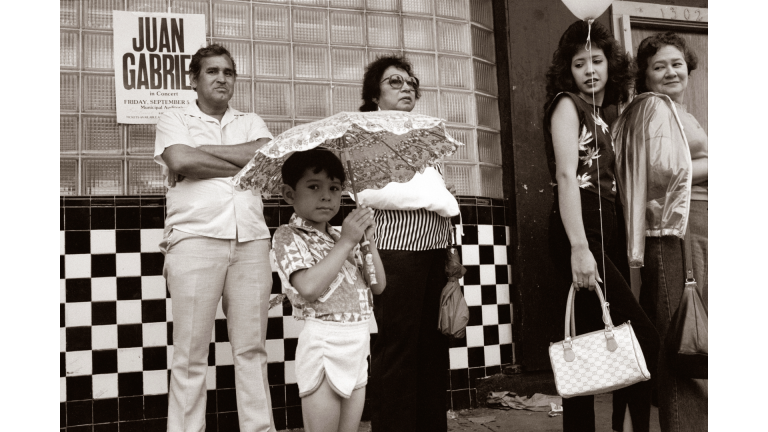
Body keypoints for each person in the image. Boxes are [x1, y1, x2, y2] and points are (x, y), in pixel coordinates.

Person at [543, 21, 660, 432]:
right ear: (567, 70)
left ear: (610, 64)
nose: (590, 70)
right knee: (640, 336)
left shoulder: (604, 113)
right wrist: (579, 247)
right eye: (580, 63)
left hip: (603, 230)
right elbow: (564, 177)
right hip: (579, 231)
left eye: (597, 60)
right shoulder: (566, 105)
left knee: (595, 342)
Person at [154, 44, 276, 432]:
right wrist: (239, 162)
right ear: (194, 79)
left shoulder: (251, 120)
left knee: (252, 350)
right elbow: (180, 161)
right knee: (190, 353)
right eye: (212, 71)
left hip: (251, 242)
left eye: (228, 71)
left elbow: (267, 159)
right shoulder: (174, 117)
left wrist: (204, 151)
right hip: (193, 240)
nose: (222, 78)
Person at [613, 32, 708, 432]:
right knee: (680, 333)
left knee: (699, 333)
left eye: (676, 63)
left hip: (698, 224)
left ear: (688, 67)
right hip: (675, 230)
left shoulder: (681, 111)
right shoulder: (652, 107)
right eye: (659, 66)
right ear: (645, 75)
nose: (671, 71)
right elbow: (660, 175)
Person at [361, 55, 455, 432]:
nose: (406, 88)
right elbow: (371, 192)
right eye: (394, 82)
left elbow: (444, 200)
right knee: (396, 349)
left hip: (434, 250)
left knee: (432, 349)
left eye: (410, 83)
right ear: (374, 95)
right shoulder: (366, 135)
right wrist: (437, 197)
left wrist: (451, 255)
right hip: (394, 253)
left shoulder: (425, 137)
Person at [271, 149, 386, 432]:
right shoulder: (288, 235)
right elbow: (308, 287)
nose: (326, 196)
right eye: (314, 187)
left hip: (358, 343)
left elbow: (378, 285)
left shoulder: (337, 235)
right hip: (324, 343)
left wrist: (368, 242)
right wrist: (347, 242)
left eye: (335, 188)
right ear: (289, 195)